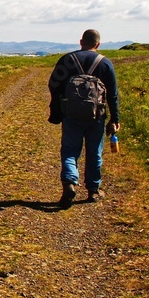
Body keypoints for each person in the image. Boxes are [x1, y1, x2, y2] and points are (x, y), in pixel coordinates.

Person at [47, 29, 120, 207]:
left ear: (81, 42)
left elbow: (53, 85)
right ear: (98, 44)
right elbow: (113, 95)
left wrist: (58, 109)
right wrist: (115, 119)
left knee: (70, 150)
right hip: (97, 116)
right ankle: (93, 190)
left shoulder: (67, 60)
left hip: (71, 114)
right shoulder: (105, 64)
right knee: (94, 152)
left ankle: (69, 183)